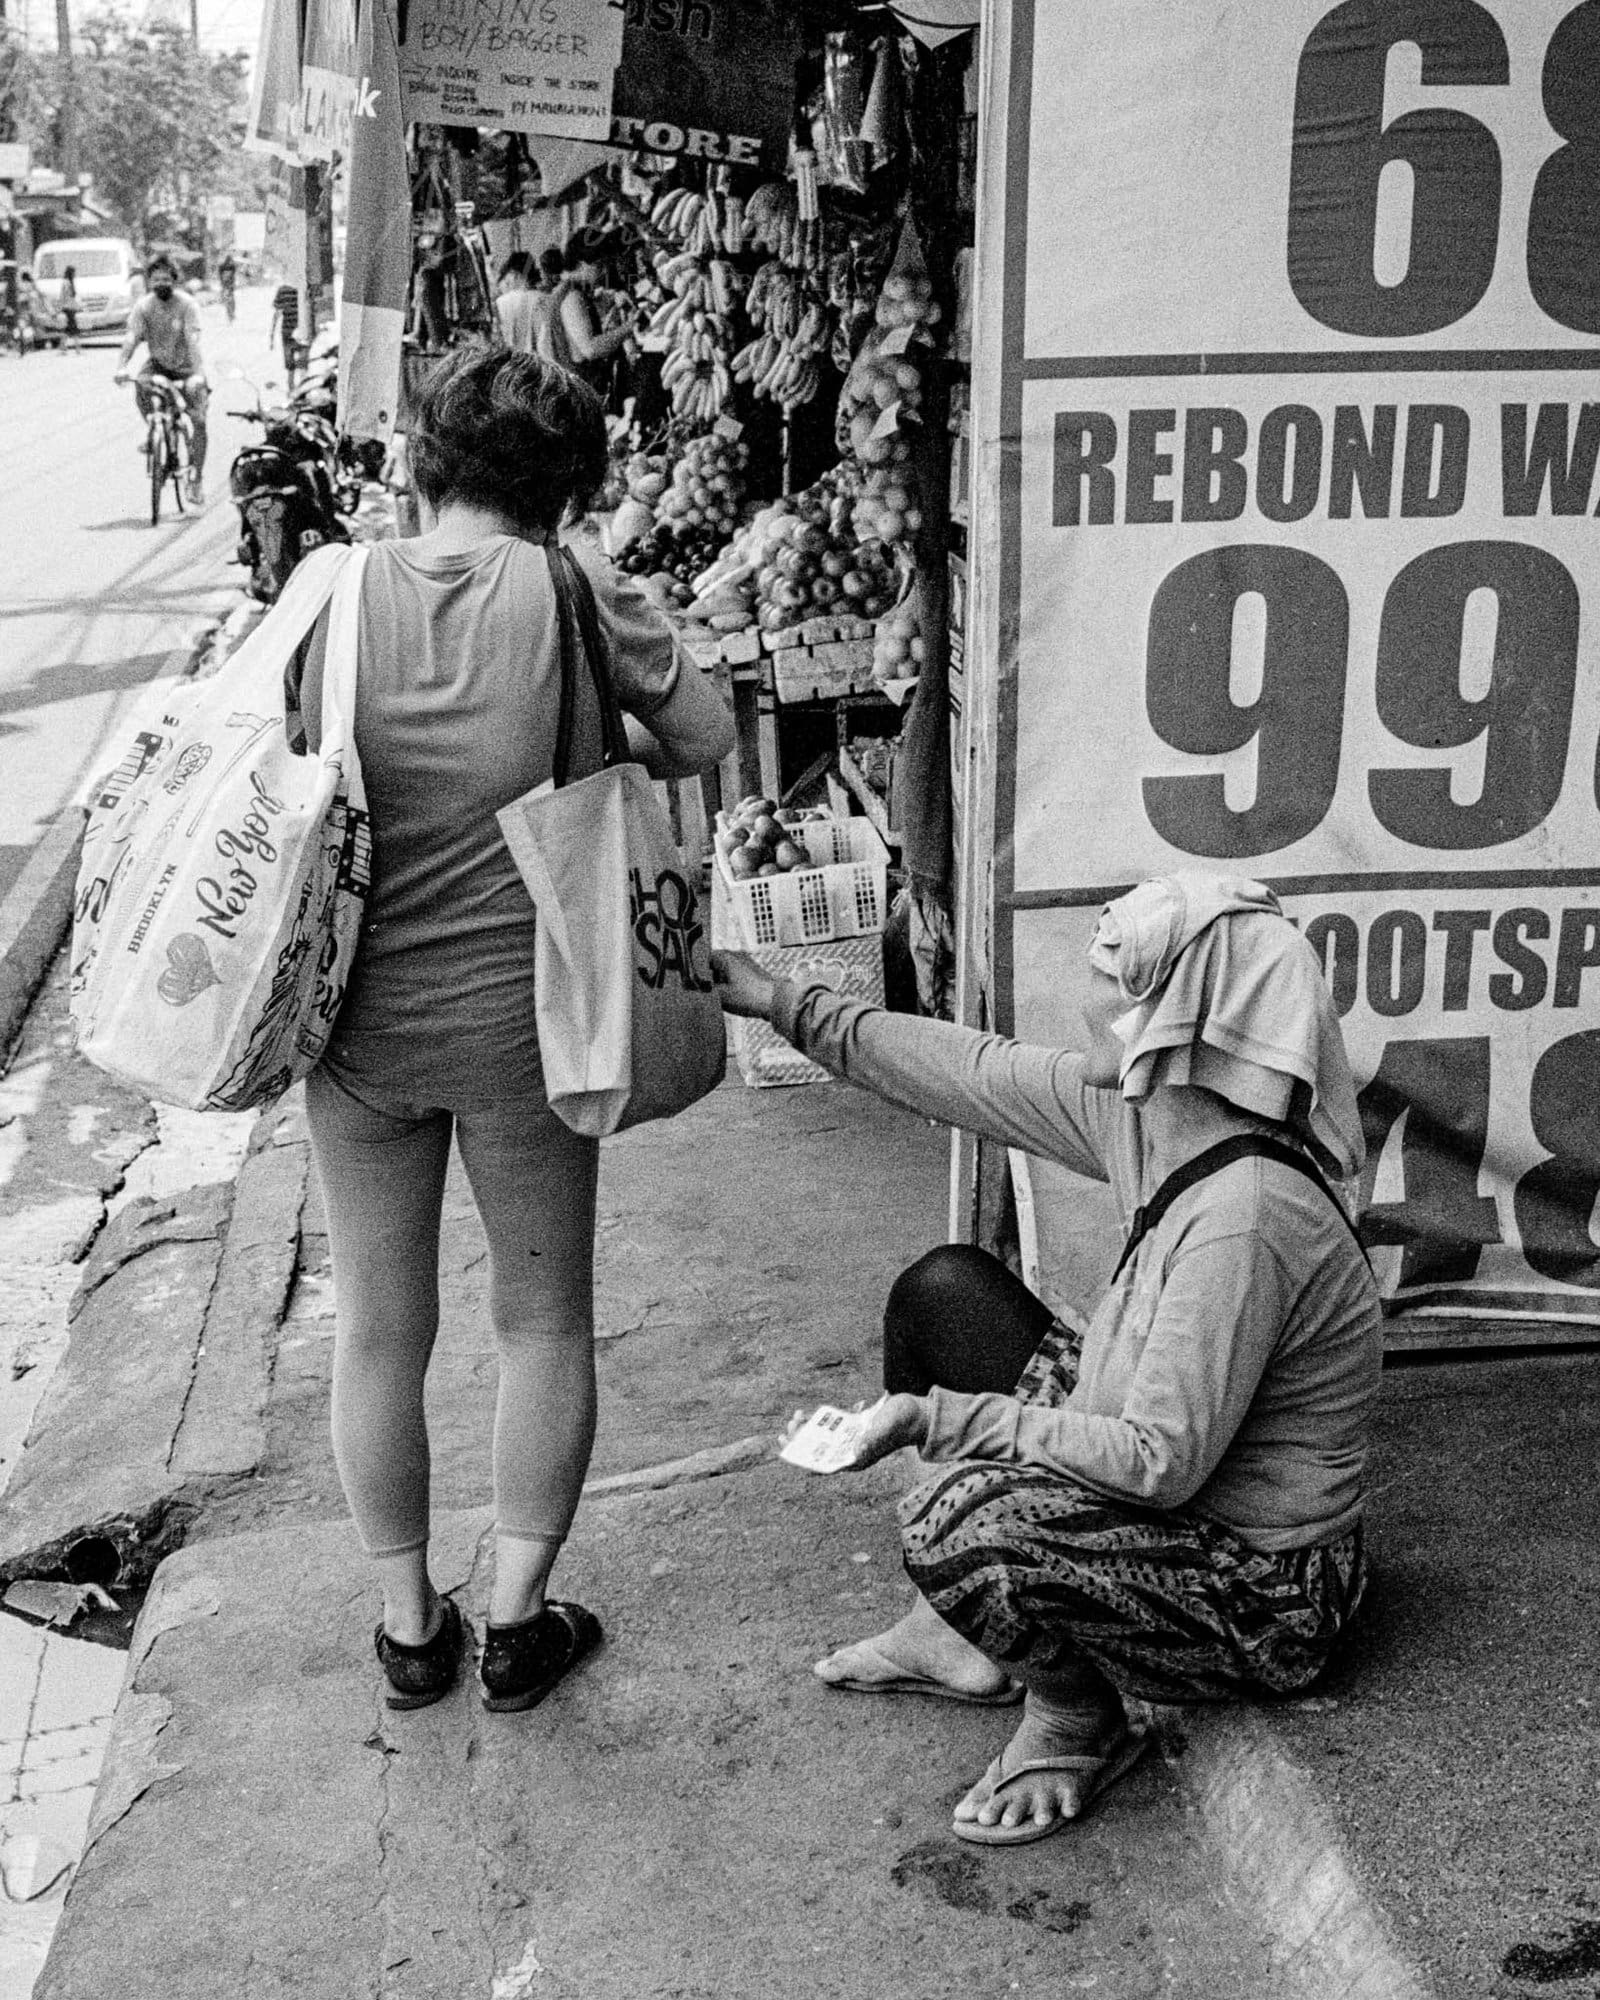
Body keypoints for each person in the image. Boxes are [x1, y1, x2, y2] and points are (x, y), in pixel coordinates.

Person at [714, 875, 1380, 1846]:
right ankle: (956, 1636)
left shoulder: (1249, 1215)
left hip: (1263, 1596)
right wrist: (782, 999)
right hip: (1175, 1498)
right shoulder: (1154, 1114)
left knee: (957, 1514)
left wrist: (942, 1420)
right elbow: (972, 1070)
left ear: (1188, 1019)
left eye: (1120, 981)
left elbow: (1157, 1459)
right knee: (946, 1295)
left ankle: (1074, 1716)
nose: (1093, 997)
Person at [286, 347, 736, 1714]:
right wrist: (596, 749)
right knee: (543, 1322)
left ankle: (407, 1626)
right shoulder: (576, 585)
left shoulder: (329, 592)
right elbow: (707, 731)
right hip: (533, 1028)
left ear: (419, 464)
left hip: (357, 1030)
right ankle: (516, 1618)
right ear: (563, 489)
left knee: (378, 1330)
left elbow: (281, 772)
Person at [114, 254, 208, 502]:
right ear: (149, 281)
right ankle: (155, 430)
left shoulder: (187, 304)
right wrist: (121, 366)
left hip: (188, 366)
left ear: (174, 280)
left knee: (198, 421)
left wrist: (197, 375)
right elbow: (132, 337)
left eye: (166, 279)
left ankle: (196, 478)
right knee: (141, 386)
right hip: (158, 365)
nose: (161, 284)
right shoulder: (144, 306)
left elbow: (193, 340)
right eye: (156, 279)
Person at [540, 234, 633, 389]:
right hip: (583, 385)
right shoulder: (572, 297)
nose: (603, 272)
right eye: (599, 266)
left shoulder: (560, 293)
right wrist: (628, 328)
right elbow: (590, 349)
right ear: (583, 264)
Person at [492, 252, 545, 355]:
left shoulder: (501, 302)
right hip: (537, 360)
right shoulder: (541, 297)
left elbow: (497, 337)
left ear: (514, 274)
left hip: (511, 360)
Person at [269, 279, 304, 387]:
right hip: (303, 331)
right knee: (303, 362)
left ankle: (292, 387)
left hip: (288, 331)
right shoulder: (305, 287)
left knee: (291, 364)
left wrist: (271, 335)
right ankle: (300, 388)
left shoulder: (283, 290)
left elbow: (277, 313)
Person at [58, 265, 82, 352]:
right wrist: (60, 307)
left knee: (69, 328)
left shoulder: (69, 282)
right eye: (74, 273)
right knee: (73, 327)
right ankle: (77, 348)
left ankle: (63, 347)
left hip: (70, 307)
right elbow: (63, 296)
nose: (75, 274)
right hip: (68, 308)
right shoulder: (66, 283)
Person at [217, 252, 237, 323]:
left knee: (228, 300)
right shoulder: (231, 266)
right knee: (229, 300)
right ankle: (230, 314)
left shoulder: (225, 267)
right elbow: (232, 276)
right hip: (227, 286)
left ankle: (230, 314)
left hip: (227, 285)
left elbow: (221, 276)